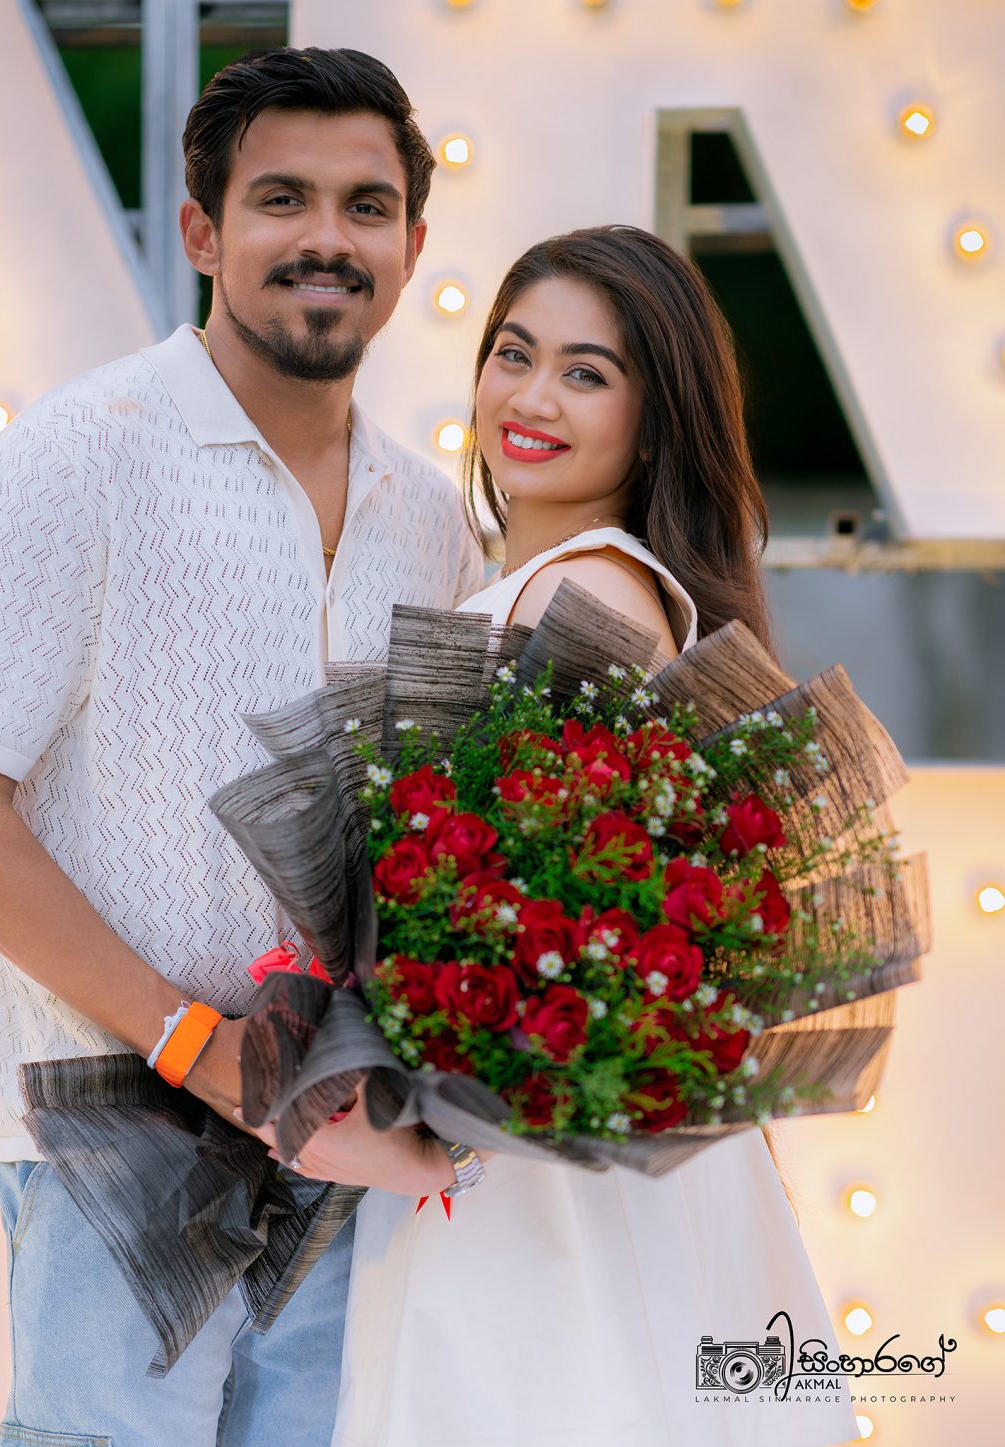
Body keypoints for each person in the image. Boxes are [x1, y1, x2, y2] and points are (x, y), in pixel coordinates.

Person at [0, 47, 480, 1447]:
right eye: (283, 199)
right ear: (204, 232)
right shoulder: (75, 456)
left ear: (411, 250)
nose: (327, 238)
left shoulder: (429, 518)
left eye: (366, 206)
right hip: (112, 1140)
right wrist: (189, 1039)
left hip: (342, 1145)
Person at [328, 226, 859, 1447]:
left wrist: (401, 1083)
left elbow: (565, 928)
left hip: (538, 1186)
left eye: (586, 373)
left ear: (655, 421)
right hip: (522, 1153)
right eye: (514, 353)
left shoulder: (589, 593)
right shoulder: (536, 584)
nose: (531, 398)